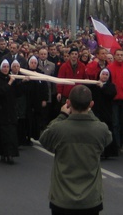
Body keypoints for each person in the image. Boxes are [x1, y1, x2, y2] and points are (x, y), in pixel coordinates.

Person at [39, 85, 112, 215]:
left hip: (62, 198)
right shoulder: (100, 129)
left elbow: (45, 138)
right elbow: (108, 139)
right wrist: (90, 114)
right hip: (90, 199)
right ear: (91, 104)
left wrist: (61, 115)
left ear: (68, 103)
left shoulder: (59, 128)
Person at [0, 59, 22, 164]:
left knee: (11, 134)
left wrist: (23, 83)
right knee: (0, 134)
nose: (6, 69)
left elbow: (18, 93)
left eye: (7, 67)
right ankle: (3, 153)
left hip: (10, 110)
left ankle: (10, 154)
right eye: (4, 67)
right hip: (0, 111)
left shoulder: (11, 78)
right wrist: (9, 83)